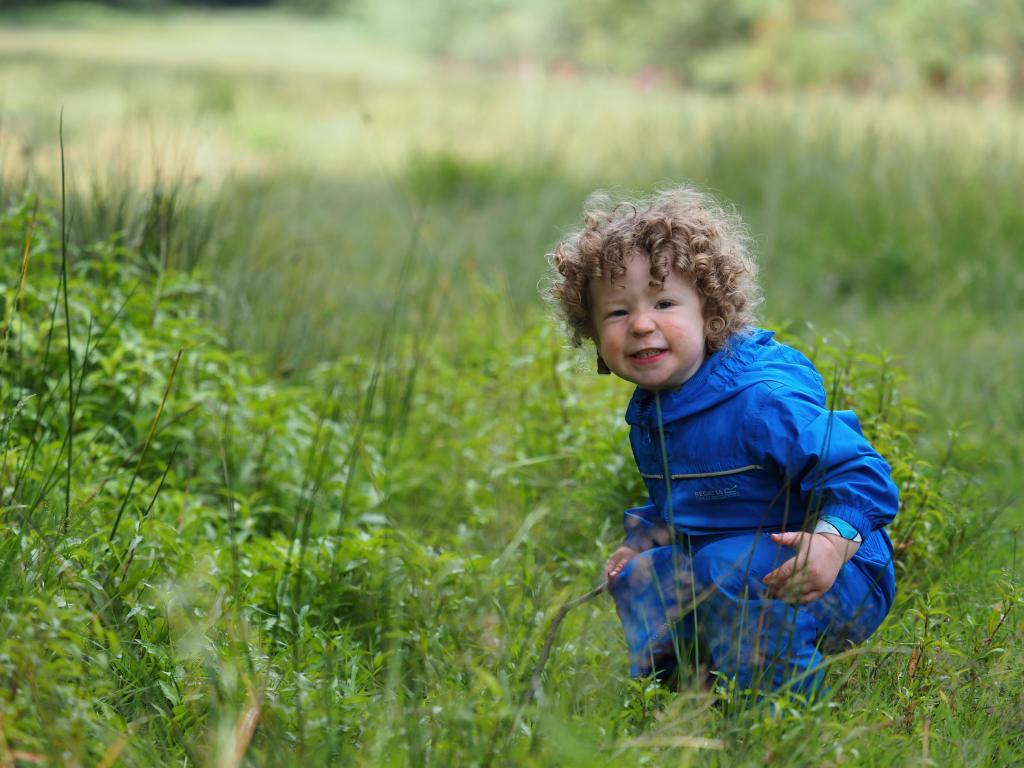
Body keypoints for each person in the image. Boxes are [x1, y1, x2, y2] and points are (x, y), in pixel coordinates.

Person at [546, 187, 899, 698]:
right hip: (736, 560)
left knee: (723, 567)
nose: (641, 324)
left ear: (710, 313)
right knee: (640, 577)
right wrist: (645, 536)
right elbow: (693, 492)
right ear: (594, 334)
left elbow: (862, 474)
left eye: (664, 303)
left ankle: (776, 712)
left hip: (835, 570)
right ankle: (689, 695)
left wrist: (830, 543)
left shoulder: (762, 401)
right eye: (617, 313)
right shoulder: (658, 406)